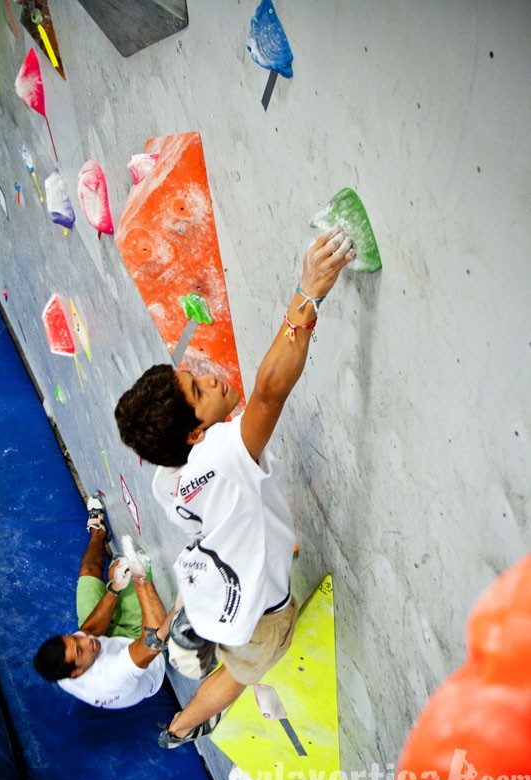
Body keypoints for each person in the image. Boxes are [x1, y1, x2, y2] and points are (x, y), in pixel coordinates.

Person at [114, 227, 355, 746]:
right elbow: (268, 394)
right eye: (200, 390)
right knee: (239, 673)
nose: (211, 377)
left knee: (233, 662)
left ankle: (190, 692)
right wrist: (307, 293)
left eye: (191, 376)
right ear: (196, 434)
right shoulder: (222, 453)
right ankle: (181, 727)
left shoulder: (167, 478)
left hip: (218, 598)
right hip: (258, 623)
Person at [33, 495, 168, 710]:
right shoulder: (110, 677)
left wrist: (115, 587)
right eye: (80, 651)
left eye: (74, 640)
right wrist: (137, 576)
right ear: (76, 673)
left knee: (88, 573)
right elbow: (153, 641)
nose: (86, 641)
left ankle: (98, 531)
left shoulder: (69, 655)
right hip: (142, 649)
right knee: (143, 569)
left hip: (112, 642)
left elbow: (90, 630)